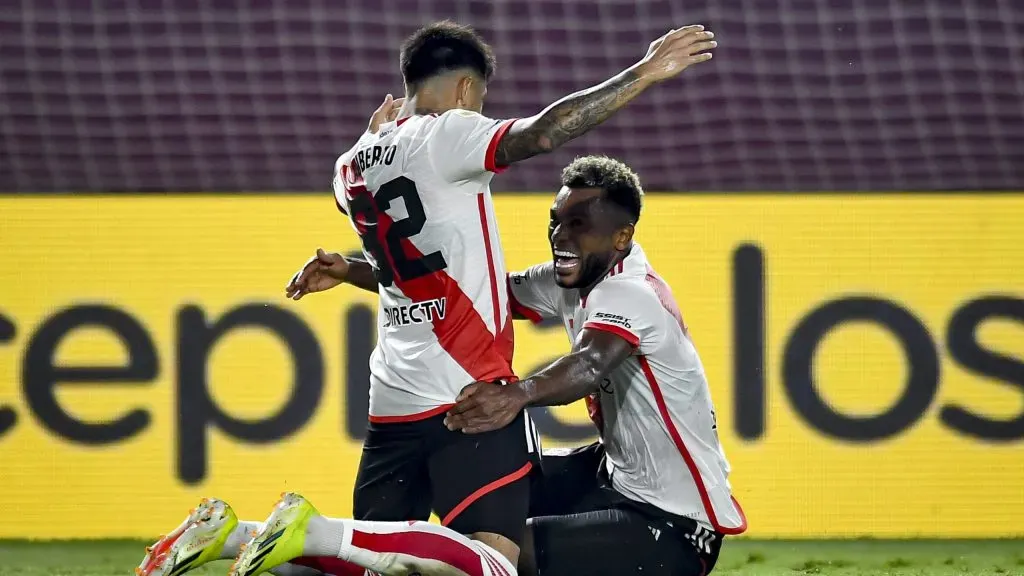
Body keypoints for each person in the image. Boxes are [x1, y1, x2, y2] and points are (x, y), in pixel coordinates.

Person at [138, 19, 718, 576]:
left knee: (374, 566)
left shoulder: (351, 166)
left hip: (393, 396)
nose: (481, 112)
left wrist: (353, 268)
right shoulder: (451, 131)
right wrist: (644, 72)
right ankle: (310, 531)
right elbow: (544, 132)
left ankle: (230, 535)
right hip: (465, 389)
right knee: (493, 564)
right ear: (465, 90)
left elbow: (441, 277)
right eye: (481, 99)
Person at [444, 155, 748, 575]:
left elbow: (589, 365)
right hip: (613, 476)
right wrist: (373, 272)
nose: (559, 235)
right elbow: (472, 297)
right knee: (490, 491)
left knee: (505, 554)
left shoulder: (631, 293)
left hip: (674, 524)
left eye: (578, 224)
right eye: (556, 221)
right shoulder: (574, 277)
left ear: (621, 236)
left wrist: (516, 395)